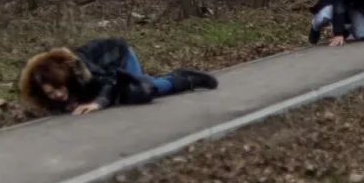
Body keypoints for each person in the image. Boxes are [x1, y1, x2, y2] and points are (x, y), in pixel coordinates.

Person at [20, 38, 219, 115]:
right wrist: (68, 104)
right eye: (51, 92)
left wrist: (98, 103)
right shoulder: (49, 92)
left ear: (64, 79)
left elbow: (108, 81)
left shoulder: (80, 69)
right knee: (126, 95)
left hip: (118, 57)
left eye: (59, 88)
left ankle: (186, 78)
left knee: (142, 89)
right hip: (108, 72)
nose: (56, 94)